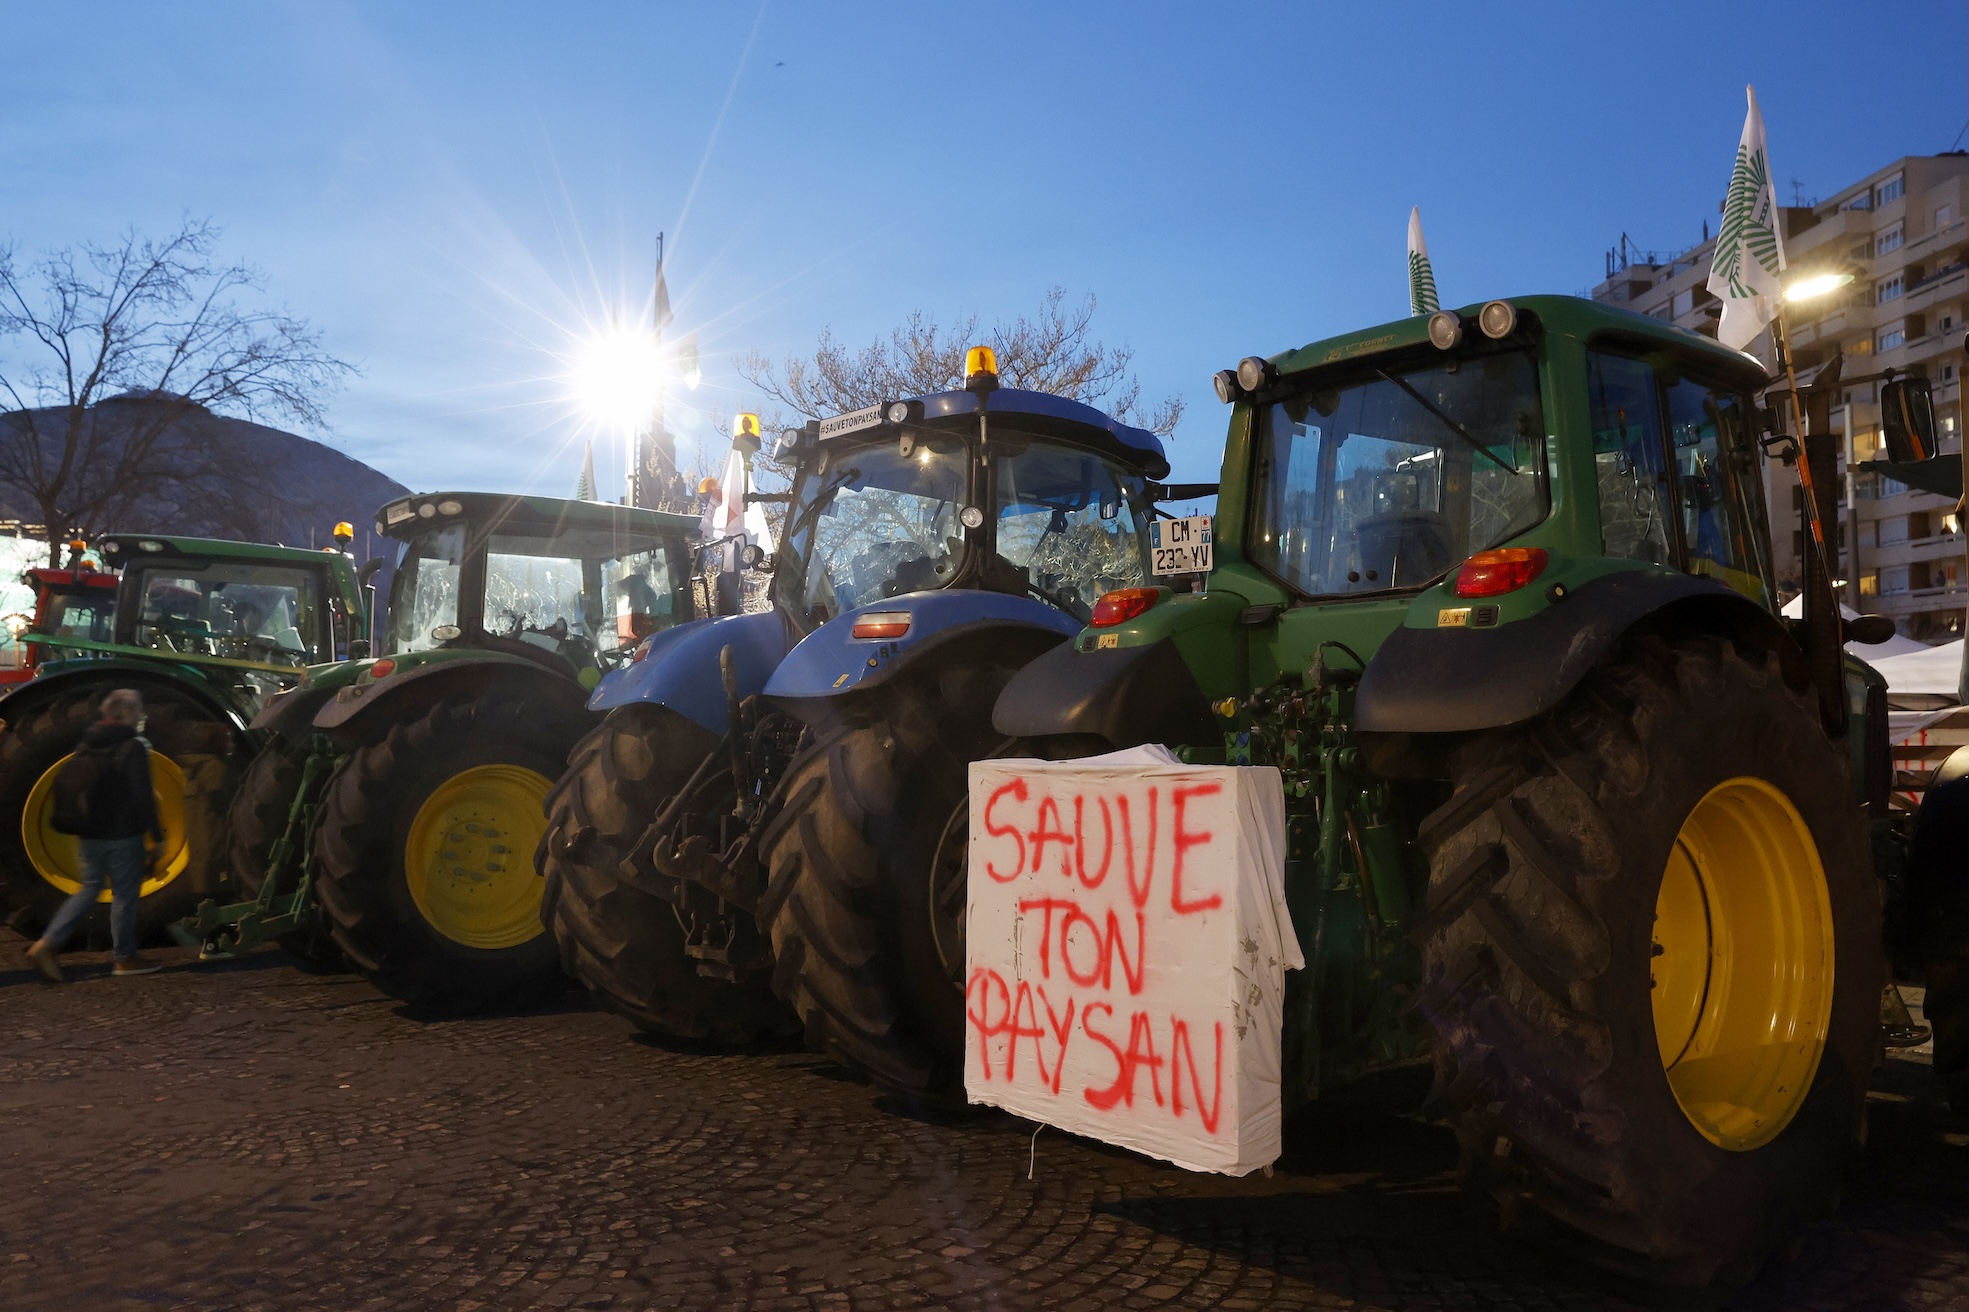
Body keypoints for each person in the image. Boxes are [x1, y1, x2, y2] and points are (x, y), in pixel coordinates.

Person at [23, 689, 166, 981]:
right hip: (122, 835)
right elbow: (142, 796)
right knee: (125, 896)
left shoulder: (87, 742)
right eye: (137, 709)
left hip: (88, 835)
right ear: (123, 714)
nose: (142, 714)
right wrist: (157, 836)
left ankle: (47, 943)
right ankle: (124, 958)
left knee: (89, 888)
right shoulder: (132, 746)